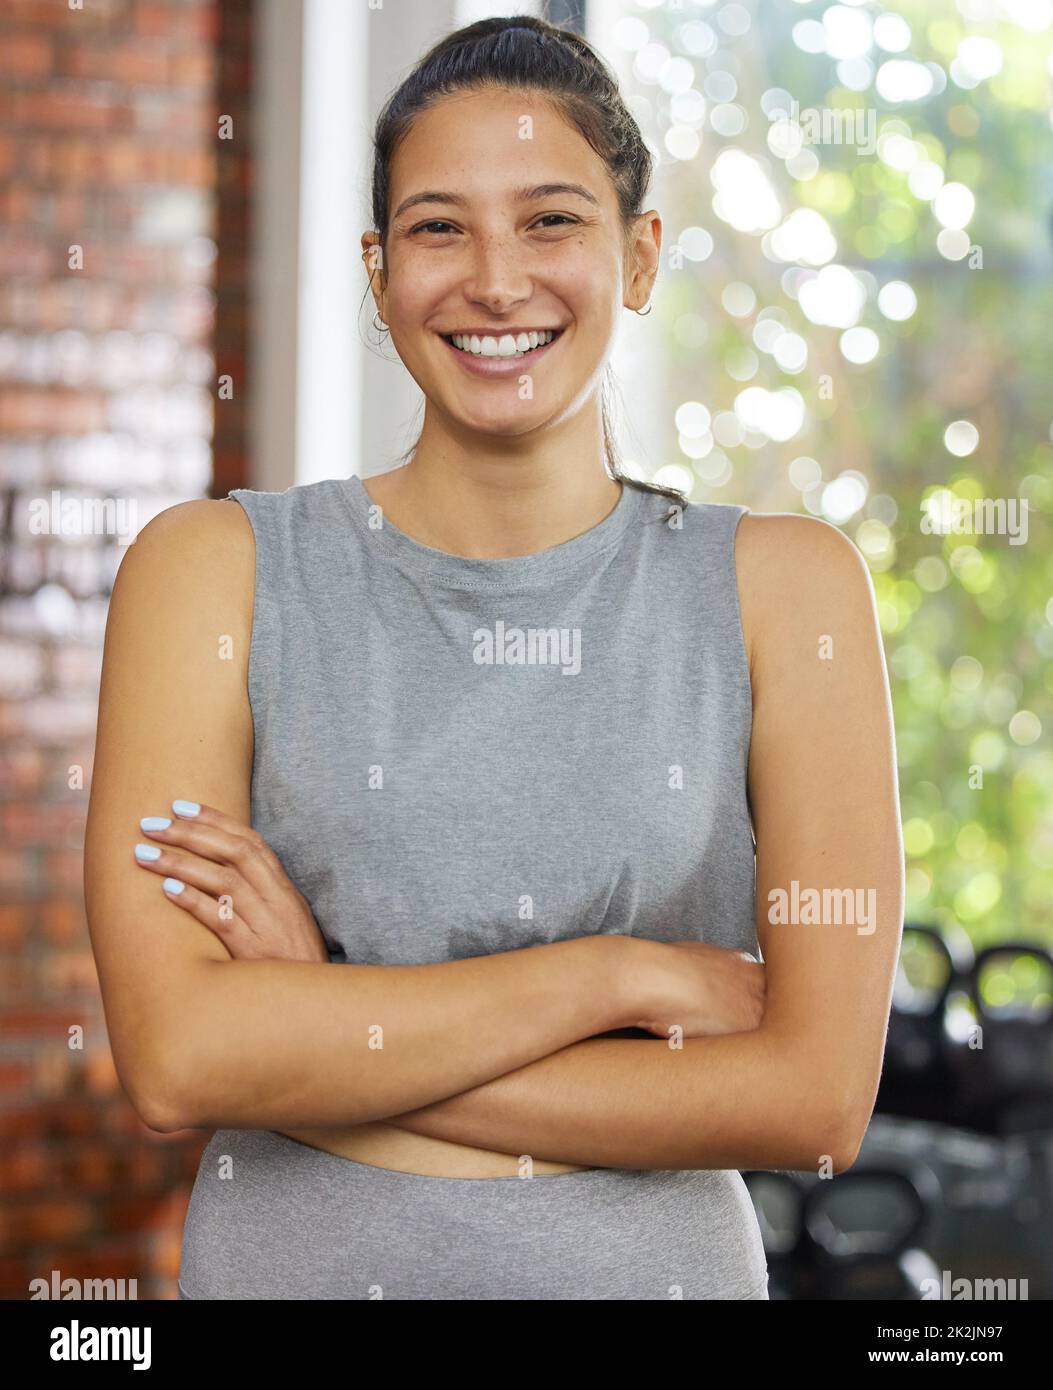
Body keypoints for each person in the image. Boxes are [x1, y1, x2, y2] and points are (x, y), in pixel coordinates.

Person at [83, 15, 903, 1300]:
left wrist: (326, 1022)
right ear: (378, 268)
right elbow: (181, 1057)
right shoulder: (210, 571)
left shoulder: (785, 589)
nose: (497, 281)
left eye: (552, 220)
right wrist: (615, 977)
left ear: (638, 258)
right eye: (438, 226)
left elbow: (810, 1100)